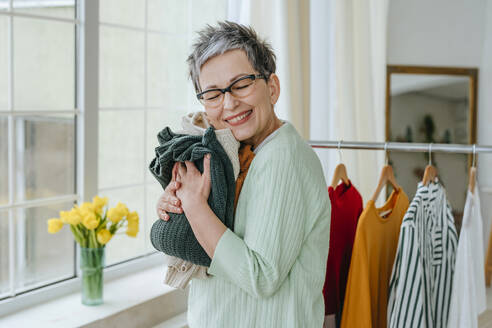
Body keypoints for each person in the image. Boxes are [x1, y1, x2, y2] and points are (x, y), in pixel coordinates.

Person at [155, 21, 331, 328]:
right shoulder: (232, 157)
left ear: (272, 88)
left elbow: (260, 276)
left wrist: (196, 209)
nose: (229, 102)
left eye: (241, 85)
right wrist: (177, 205)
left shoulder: (283, 157)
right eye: (213, 94)